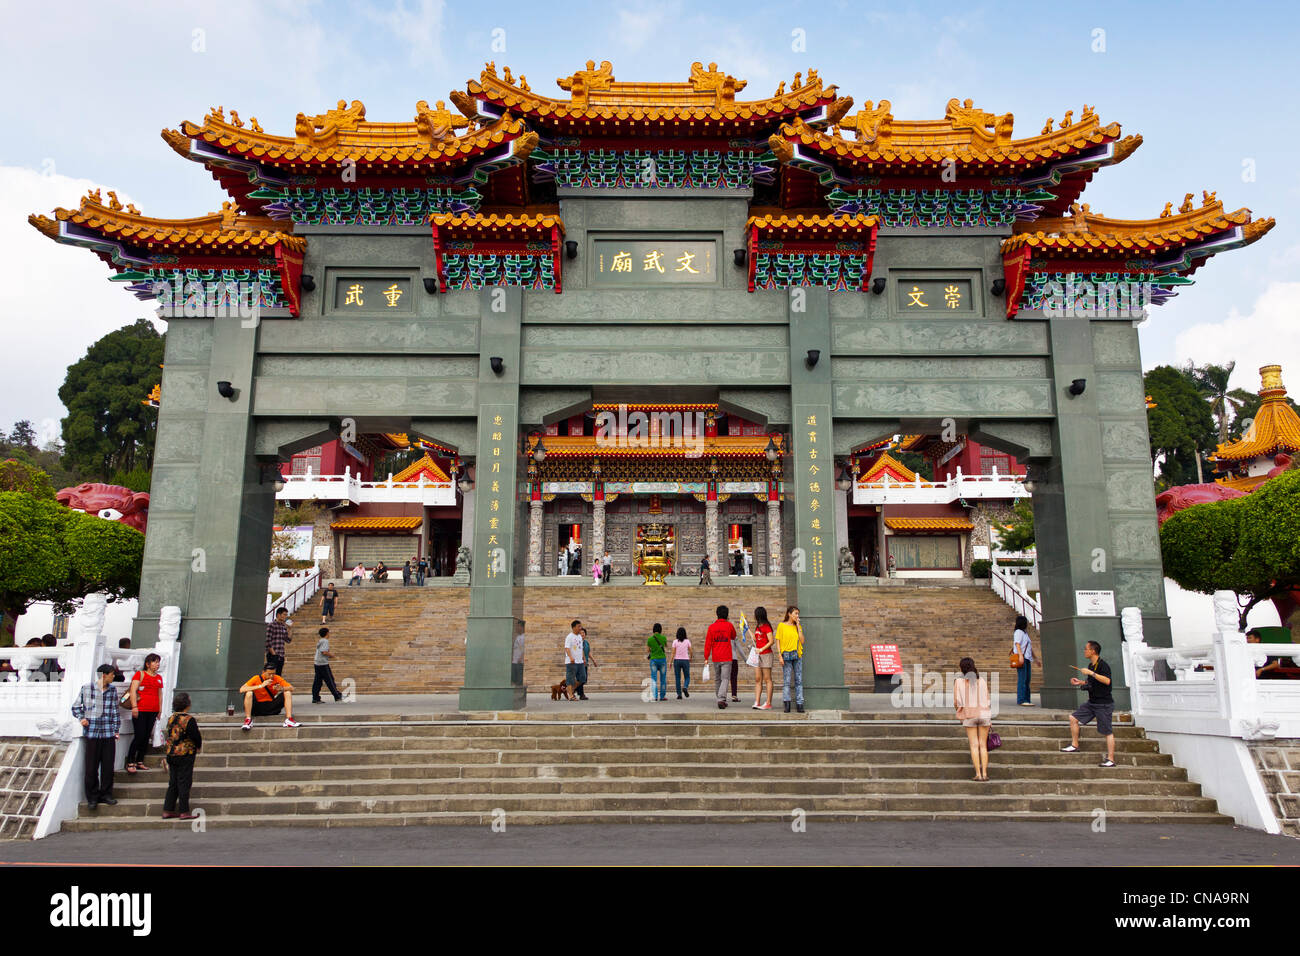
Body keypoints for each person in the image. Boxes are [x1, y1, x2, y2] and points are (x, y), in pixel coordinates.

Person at [71, 664, 120, 810]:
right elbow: (75, 707)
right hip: (92, 733)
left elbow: (115, 711)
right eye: (112, 674)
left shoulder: (112, 690)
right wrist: (81, 718)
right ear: (104, 675)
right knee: (91, 768)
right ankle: (92, 797)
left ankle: (106, 794)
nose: (113, 677)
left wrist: (116, 729)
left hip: (108, 733)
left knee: (108, 766)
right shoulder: (87, 689)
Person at [1061, 640, 1115, 767]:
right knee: (1073, 718)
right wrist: (1080, 682)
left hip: (1104, 704)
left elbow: (1107, 681)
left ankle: (1111, 759)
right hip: (1092, 702)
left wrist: (1091, 673)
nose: (1084, 651)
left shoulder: (1103, 665)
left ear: (1093, 651)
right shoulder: (1091, 665)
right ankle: (1075, 745)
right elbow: (1092, 683)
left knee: (1107, 731)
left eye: (1086, 649)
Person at [161, 692, 202, 821]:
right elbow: (195, 736)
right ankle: (184, 811)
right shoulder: (189, 720)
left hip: (171, 753)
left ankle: (168, 809)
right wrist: (198, 746)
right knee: (184, 781)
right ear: (187, 705)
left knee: (173, 782)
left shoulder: (171, 718)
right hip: (185, 753)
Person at [954, 657, 992, 780]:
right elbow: (987, 700)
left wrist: (960, 713)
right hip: (984, 714)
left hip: (969, 715)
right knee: (983, 745)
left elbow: (957, 702)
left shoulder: (958, 682)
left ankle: (978, 774)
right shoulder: (981, 680)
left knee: (974, 745)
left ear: (962, 668)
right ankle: (985, 773)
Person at [125, 652, 164, 774]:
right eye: (154, 662)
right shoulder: (140, 674)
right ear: (147, 664)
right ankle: (130, 761)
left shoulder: (158, 678)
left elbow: (160, 694)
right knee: (139, 735)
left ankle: (140, 760)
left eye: (158, 662)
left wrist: (160, 709)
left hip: (153, 710)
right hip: (141, 709)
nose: (157, 664)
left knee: (146, 736)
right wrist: (134, 707)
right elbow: (133, 691)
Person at [239, 663, 301, 730]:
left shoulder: (277, 678)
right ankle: (248, 720)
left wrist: (281, 688)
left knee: (287, 692)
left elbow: (292, 688)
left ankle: (289, 719)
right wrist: (261, 686)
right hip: (257, 707)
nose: (271, 676)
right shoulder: (256, 678)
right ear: (263, 672)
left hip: (270, 706)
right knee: (249, 693)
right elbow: (242, 689)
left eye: (273, 673)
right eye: (269, 674)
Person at [704, 605, 736, 710]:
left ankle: (719, 698)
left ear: (717, 614)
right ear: (727, 615)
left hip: (716, 656)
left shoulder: (711, 627)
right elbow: (733, 636)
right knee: (725, 678)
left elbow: (708, 643)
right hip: (726, 656)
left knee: (718, 679)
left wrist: (706, 657)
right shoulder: (729, 625)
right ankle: (721, 699)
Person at [776, 605, 805, 713]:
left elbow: (802, 641)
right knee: (787, 681)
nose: (797, 615)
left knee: (799, 680)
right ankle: (787, 703)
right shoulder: (781, 625)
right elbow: (778, 641)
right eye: (795, 613)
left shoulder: (798, 626)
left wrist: (798, 626)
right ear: (789, 614)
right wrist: (779, 656)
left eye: (798, 614)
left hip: (797, 655)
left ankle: (800, 703)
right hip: (786, 655)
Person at [751, 606, 775, 710]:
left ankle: (768, 702)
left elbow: (771, 641)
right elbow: (757, 639)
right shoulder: (758, 626)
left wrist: (761, 649)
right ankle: (757, 701)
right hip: (757, 655)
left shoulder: (766, 626)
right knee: (757, 678)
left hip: (766, 654)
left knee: (767, 678)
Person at [312, 627, 343, 703]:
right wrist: (332, 655)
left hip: (317, 663)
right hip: (323, 664)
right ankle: (337, 695)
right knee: (330, 680)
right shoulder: (325, 641)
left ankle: (315, 697)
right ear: (327, 633)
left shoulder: (320, 641)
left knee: (317, 681)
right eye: (329, 632)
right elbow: (324, 652)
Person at [1013, 615, 1037, 706]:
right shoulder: (1018, 632)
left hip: (1027, 658)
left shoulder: (1025, 633)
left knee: (1027, 679)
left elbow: (1029, 648)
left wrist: (1036, 659)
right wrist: (1020, 656)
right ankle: (1021, 699)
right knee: (1022, 679)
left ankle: (1027, 699)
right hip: (1022, 657)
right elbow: (1017, 644)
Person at [264, 606, 292, 675]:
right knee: (271, 675)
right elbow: (267, 640)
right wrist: (273, 654)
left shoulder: (283, 626)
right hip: (273, 654)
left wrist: (289, 629)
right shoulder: (271, 625)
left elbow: (288, 640)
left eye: (286, 615)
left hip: (281, 655)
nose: (286, 616)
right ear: (279, 615)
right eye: (284, 614)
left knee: (278, 676)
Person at [647, 623, 668, 702]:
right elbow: (666, 646)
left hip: (653, 660)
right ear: (660, 629)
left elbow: (648, 650)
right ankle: (662, 696)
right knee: (663, 679)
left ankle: (655, 696)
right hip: (662, 660)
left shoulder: (650, 639)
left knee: (654, 678)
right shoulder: (663, 638)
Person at [563, 620, 584, 698]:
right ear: (574, 627)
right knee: (570, 678)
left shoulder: (579, 636)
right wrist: (570, 657)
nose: (580, 628)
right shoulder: (569, 637)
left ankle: (570, 691)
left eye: (580, 626)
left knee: (582, 678)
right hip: (571, 661)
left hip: (580, 661)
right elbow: (567, 648)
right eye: (579, 626)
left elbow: (581, 648)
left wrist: (583, 658)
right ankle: (571, 696)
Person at [671, 627, 692, 700]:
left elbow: (673, 653)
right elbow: (690, 651)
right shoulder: (687, 641)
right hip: (685, 660)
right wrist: (690, 657)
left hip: (677, 660)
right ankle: (685, 687)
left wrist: (670, 661)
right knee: (687, 676)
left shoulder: (675, 642)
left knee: (677, 678)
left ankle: (679, 694)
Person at [578, 627, 596, 699]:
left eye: (583, 633)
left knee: (584, 679)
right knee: (582, 678)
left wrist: (593, 660)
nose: (582, 634)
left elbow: (588, 652)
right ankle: (581, 694)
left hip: (585, 663)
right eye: (580, 633)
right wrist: (583, 659)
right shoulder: (578, 642)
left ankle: (575, 690)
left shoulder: (586, 642)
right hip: (579, 663)